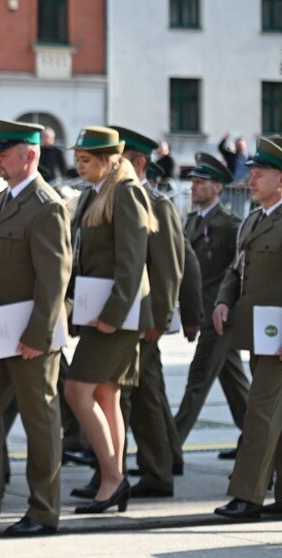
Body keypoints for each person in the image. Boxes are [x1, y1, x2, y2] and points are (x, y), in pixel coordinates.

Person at [0, 120, 70, 536]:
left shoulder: (46, 205)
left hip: (29, 335)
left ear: (30, 155)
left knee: (40, 422)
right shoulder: (3, 199)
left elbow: (54, 278)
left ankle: (44, 510)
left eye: (4, 153)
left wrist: (38, 334)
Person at [63, 127, 156, 515]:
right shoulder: (94, 193)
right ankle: (113, 479)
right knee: (105, 394)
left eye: (86, 160)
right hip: (98, 309)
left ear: (108, 160)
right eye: (78, 159)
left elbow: (131, 262)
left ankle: (113, 479)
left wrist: (113, 315)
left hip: (117, 313)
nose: (79, 166)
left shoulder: (126, 192)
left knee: (76, 390)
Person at [110, 127, 184, 500]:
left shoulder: (158, 204)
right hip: (122, 316)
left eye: (119, 159)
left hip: (144, 320)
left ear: (139, 163)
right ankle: (136, 471)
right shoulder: (115, 198)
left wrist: (160, 318)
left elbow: (168, 267)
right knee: (135, 396)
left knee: (143, 397)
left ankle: (155, 473)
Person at [213, 137, 282, 519]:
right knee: (275, 416)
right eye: (251, 173)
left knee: (260, 413)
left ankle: (247, 495)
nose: (250, 180)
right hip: (259, 334)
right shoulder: (254, 220)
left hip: (278, 337)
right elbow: (236, 269)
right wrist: (224, 300)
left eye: (260, 174)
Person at [173, 154, 248, 457]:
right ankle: (257, 443)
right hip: (202, 312)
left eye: (201, 183)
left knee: (198, 380)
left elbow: (241, 269)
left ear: (218, 187)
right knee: (234, 383)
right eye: (192, 182)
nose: (194, 187)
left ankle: (167, 451)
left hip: (220, 315)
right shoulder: (192, 221)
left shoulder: (229, 225)